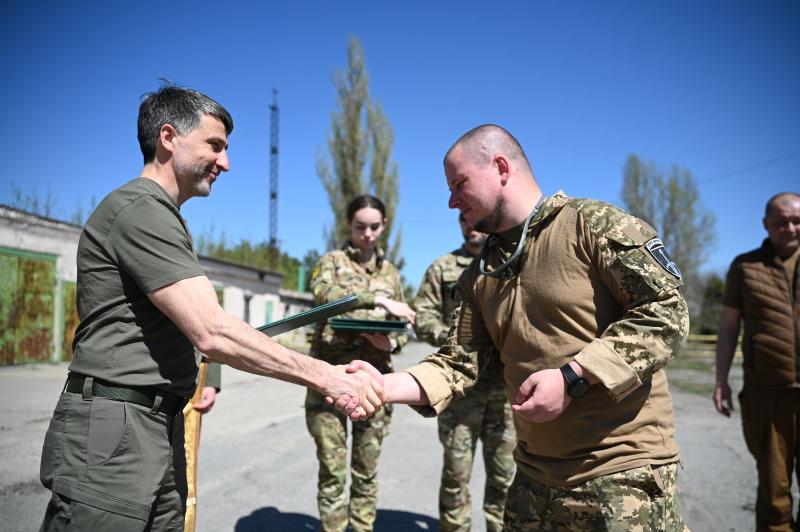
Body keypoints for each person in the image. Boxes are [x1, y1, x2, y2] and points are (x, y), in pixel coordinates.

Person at [38, 84, 383, 531]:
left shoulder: (163, 215)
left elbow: (187, 330)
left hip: (154, 420)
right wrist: (327, 376)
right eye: (215, 145)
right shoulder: (140, 209)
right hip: (116, 426)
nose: (225, 162)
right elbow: (211, 330)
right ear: (168, 137)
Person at [342, 124, 690, 530]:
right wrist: (383, 387)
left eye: (459, 184)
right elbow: (459, 363)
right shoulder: (479, 275)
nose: (452, 202)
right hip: (533, 481)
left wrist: (573, 377)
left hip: (621, 476)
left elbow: (667, 312)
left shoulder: (592, 225)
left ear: (501, 167)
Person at [305, 194, 415, 532]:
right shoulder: (331, 262)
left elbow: (404, 323)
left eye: (374, 227)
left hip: (375, 384)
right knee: (333, 471)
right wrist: (376, 299)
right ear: (348, 225)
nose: (367, 234)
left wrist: (392, 342)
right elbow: (323, 294)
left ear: (384, 226)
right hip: (330, 380)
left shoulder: (391, 273)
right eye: (360, 227)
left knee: (366, 471)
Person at [413, 213, 515, 532]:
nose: (470, 227)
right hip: (461, 389)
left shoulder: (511, 262)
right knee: (456, 474)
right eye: (463, 221)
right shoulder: (442, 268)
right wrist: (455, 337)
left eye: (475, 220)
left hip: (505, 390)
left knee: (506, 476)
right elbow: (423, 315)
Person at [714, 192, 800, 531]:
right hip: (767, 396)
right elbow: (728, 327)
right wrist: (720, 381)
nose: (789, 228)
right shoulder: (745, 267)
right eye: (781, 222)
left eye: (796, 221)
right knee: (774, 494)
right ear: (766, 224)